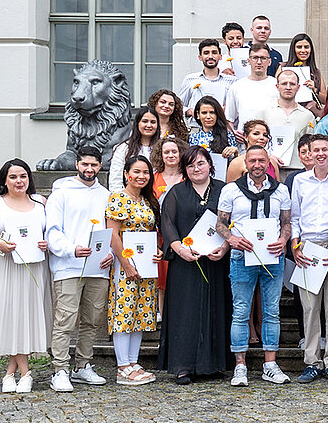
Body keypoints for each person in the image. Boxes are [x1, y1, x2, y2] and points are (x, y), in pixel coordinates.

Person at [156, 146, 233, 385]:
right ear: (184, 169)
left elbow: (234, 221)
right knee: (185, 312)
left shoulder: (224, 190)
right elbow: (167, 223)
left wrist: (226, 247)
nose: (196, 169)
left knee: (216, 307)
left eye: (200, 163)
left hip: (216, 261)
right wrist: (179, 249)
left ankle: (212, 364)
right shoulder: (176, 192)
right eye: (190, 166)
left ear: (210, 164)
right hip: (185, 264)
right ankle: (183, 366)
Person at [215, 145, 291, 386]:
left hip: (272, 257)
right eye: (253, 161)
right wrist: (232, 239)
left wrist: (283, 240)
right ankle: (240, 366)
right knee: (240, 311)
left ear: (268, 163)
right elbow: (220, 224)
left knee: (272, 311)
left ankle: (270, 364)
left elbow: (286, 222)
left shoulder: (281, 191)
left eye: (261, 160)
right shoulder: (230, 190)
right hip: (241, 257)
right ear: (245, 163)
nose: (257, 165)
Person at [0, 159, 51, 393]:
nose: (19, 181)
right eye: (14, 177)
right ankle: (25, 373)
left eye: (23, 176)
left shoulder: (41, 202)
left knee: (27, 315)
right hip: (4, 265)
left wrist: (47, 243)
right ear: (5, 181)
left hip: (35, 266)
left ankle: (10, 372)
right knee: (10, 314)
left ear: (29, 179)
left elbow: (51, 232)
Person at [37, 149, 111, 391]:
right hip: (68, 266)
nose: (89, 169)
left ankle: (82, 366)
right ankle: (59, 369)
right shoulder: (61, 193)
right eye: (85, 164)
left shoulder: (106, 195)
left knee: (91, 320)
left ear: (100, 166)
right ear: (77, 164)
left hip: (97, 267)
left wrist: (110, 252)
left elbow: (111, 231)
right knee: (65, 320)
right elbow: (53, 230)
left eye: (94, 165)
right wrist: (71, 249)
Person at [286, 135, 328, 384]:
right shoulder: (300, 181)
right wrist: (295, 246)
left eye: (325, 149)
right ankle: (312, 361)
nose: (320, 154)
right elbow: (295, 218)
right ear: (309, 153)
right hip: (308, 248)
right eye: (316, 150)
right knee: (310, 308)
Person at [104, 155, 163, 385]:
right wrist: (126, 264)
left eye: (146, 173)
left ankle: (133, 361)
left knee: (141, 312)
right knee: (124, 311)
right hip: (124, 264)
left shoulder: (148, 201)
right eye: (136, 172)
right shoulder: (118, 197)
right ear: (127, 173)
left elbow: (151, 232)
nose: (141, 176)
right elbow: (113, 234)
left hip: (146, 264)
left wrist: (158, 250)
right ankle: (122, 367)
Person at [226, 42, 279, 130]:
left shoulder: (277, 85)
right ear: (248, 61)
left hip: (271, 139)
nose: (259, 62)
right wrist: (233, 134)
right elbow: (229, 119)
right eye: (255, 58)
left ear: (269, 62)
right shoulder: (237, 86)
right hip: (244, 141)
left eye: (263, 58)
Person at [109, 108, 161, 192]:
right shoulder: (123, 148)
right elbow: (115, 180)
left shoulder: (163, 148)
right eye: (145, 121)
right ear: (137, 123)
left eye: (153, 122)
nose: (149, 125)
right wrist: (122, 199)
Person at [181, 39, 236, 116]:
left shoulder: (232, 81)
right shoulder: (190, 79)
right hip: (196, 126)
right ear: (200, 57)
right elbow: (178, 107)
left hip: (222, 126)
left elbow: (238, 107)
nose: (210, 56)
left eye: (214, 53)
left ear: (220, 57)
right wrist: (190, 111)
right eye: (206, 53)